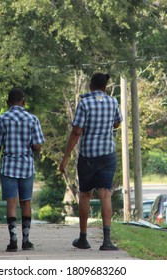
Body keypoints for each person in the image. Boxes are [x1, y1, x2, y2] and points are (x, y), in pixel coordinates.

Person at [59, 73, 122, 251]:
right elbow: (117, 123)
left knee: (85, 194)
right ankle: (107, 240)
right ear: (106, 87)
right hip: (107, 155)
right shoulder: (113, 102)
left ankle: (83, 238)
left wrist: (65, 159)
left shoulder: (85, 103)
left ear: (90, 86)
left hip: (87, 157)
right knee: (106, 194)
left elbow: (77, 131)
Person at [0, 88, 45, 252]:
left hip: (8, 165)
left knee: (11, 203)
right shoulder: (32, 119)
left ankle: (13, 240)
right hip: (27, 165)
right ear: (23, 102)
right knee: (26, 201)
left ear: (7, 103)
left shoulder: (1, 119)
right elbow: (37, 146)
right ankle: (26, 241)